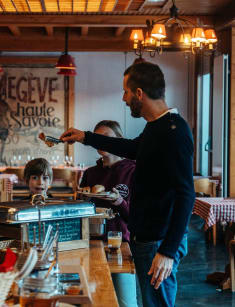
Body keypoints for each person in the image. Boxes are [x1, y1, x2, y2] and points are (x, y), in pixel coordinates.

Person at [60, 62, 195, 307]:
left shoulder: (174, 131)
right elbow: (133, 148)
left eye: (126, 92)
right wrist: (85, 137)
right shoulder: (157, 127)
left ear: (139, 93)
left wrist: (167, 251)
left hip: (159, 242)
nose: (124, 98)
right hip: (148, 239)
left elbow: (186, 195)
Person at [80, 120, 137, 307]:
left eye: (107, 137)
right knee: (96, 301)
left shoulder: (133, 170)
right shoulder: (90, 173)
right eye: (98, 138)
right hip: (93, 243)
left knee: (126, 302)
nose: (100, 142)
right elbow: (82, 208)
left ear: (119, 140)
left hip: (121, 244)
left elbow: (137, 217)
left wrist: (120, 202)